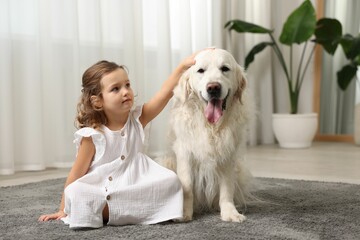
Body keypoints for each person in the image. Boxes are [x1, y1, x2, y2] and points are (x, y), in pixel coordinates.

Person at [38, 53, 197, 229]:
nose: (125, 91)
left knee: (171, 181)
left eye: (127, 85)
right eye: (115, 89)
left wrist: (182, 66)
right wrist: (63, 209)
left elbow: (165, 94)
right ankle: (120, 211)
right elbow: (76, 175)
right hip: (101, 188)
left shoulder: (139, 118)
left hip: (135, 181)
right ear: (98, 101)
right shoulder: (93, 135)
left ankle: (110, 212)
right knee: (77, 192)